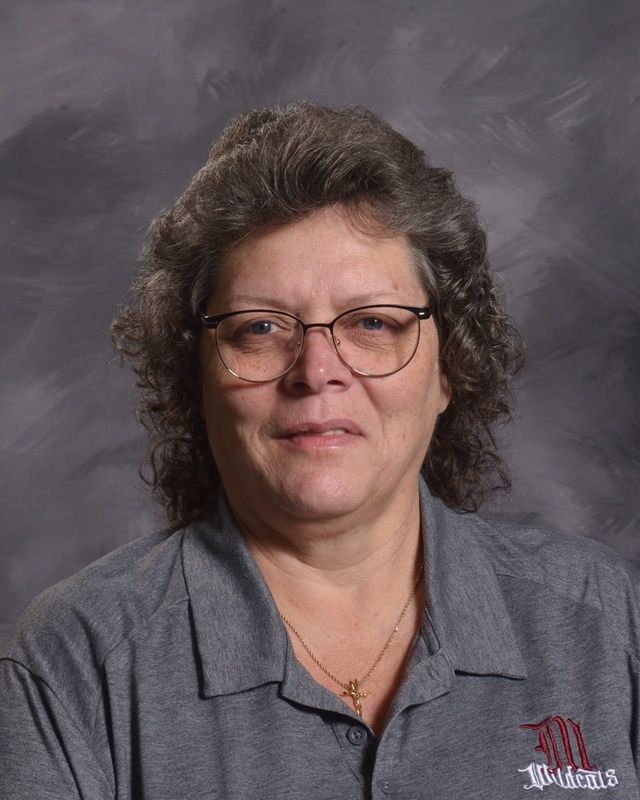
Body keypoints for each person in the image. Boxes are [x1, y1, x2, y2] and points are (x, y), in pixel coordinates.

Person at [0, 102, 638, 798]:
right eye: (260, 328)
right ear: (195, 375)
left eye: (372, 322)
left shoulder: (605, 620)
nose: (317, 370)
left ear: (451, 366)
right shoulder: (74, 662)